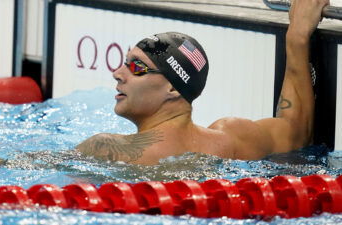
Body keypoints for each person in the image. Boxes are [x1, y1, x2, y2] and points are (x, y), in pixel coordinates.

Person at [76, 0, 330, 165]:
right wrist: (297, 36)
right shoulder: (232, 140)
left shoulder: (104, 150)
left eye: (136, 66)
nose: (118, 73)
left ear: (173, 88)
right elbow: (297, 131)